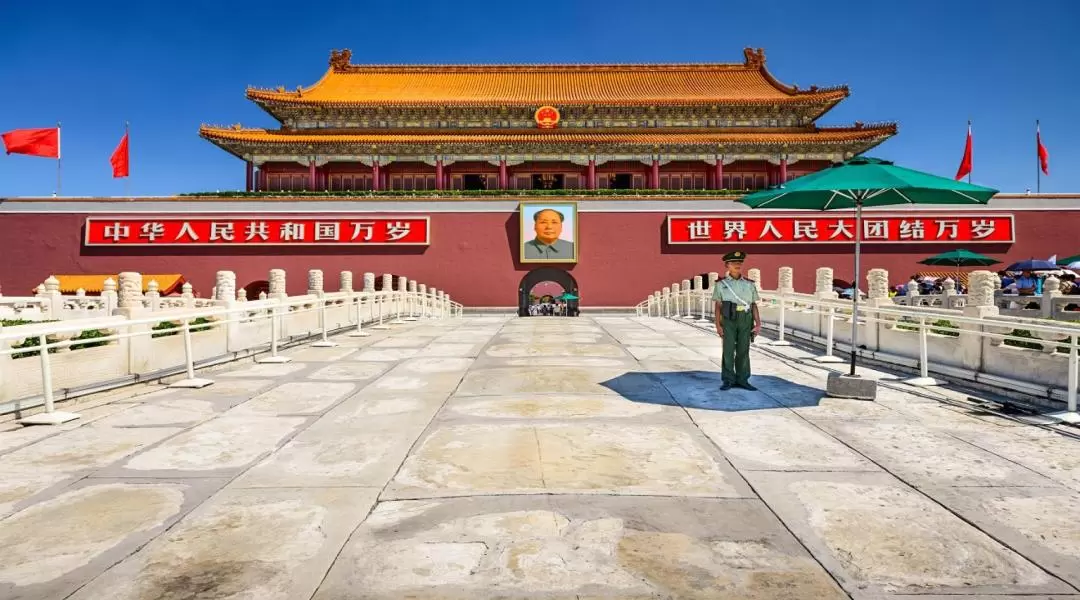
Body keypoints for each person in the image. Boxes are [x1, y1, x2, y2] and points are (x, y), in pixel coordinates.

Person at [712, 250, 761, 391]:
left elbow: (753, 304)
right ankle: (728, 380)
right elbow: (718, 306)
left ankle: (743, 379)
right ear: (727, 265)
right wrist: (718, 326)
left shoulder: (749, 284)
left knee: (743, 350)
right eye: (734, 262)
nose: (737, 265)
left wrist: (758, 323)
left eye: (740, 262)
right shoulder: (721, 284)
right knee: (728, 350)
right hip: (728, 319)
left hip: (745, 318)